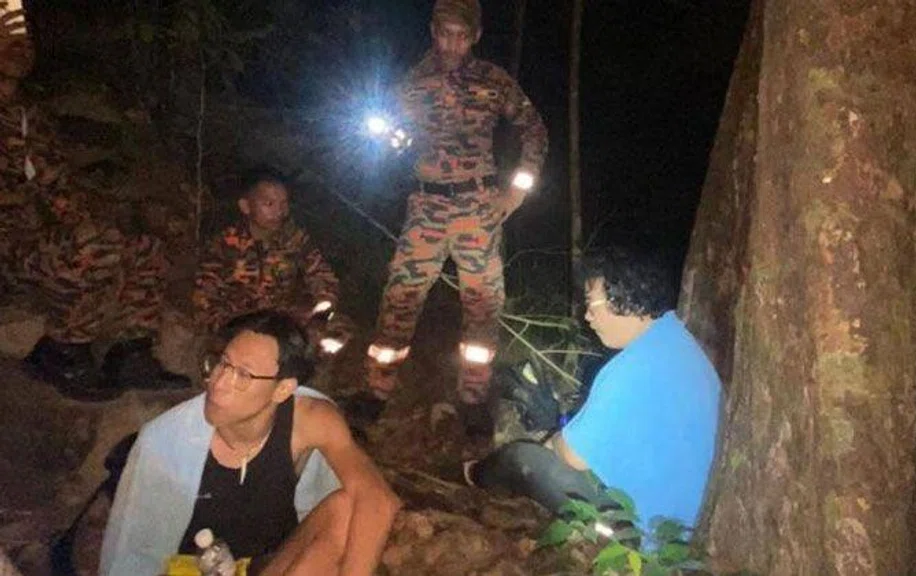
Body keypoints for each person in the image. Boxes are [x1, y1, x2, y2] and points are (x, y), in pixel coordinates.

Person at [344, 0, 549, 434]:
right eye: (444, 32)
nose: (452, 43)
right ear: (432, 30)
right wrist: (391, 141)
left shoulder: (494, 81)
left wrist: (516, 190)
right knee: (400, 300)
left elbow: (534, 129)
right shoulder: (410, 84)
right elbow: (388, 141)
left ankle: (473, 399)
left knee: (482, 307)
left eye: (461, 34)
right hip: (426, 207)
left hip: (478, 209)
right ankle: (375, 392)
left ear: (475, 36)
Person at [100, 311, 401, 575]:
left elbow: (379, 501)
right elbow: (131, 555)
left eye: (243, 374)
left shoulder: (309, 419)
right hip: (193, 569)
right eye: (222, 364)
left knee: (346, 507)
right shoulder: (167, 443)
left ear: (282, 389)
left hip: (266, 563)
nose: (218, 383)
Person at [0, 5, 189, 400]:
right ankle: (61, 353)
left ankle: (130, 352)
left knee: (144, 245)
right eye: (7, 38)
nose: (19, 49)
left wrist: (114, 219)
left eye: (25, 40)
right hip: (9, 252)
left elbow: (57, 187)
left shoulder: (26, 114)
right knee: (94, 243)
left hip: (33, 241)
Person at [463, 249, 721, 533]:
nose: (587, 316)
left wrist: (552, 440)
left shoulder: (628, 369)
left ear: (624, 300)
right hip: (684, 517)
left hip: (642, 530)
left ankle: (474, 476)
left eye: (591, 304)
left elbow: (573, 456)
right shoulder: (675, 342)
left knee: (523, 458)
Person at [193, 167, 347, 356]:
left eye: (284, 203)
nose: (279, 211)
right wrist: (224, 326)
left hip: (281, 318)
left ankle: (304, 374)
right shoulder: (225, 243)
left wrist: (320, 314)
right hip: (238, 320)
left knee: (339, 329)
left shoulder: (295, 240)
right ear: (246, 206)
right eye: (269, 203)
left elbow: (324, 280)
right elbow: (205, 294)